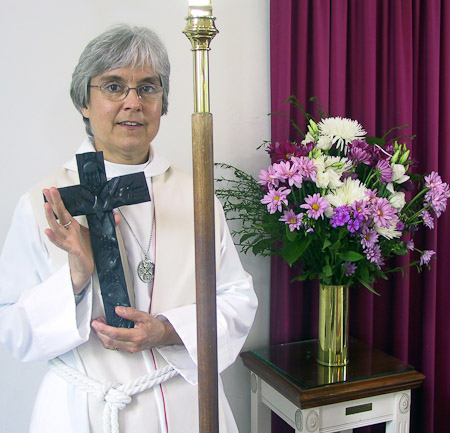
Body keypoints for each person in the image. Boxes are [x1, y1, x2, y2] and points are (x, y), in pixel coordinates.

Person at [0, 24, 257, 433]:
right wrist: (77, 277)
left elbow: (237, 299)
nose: (133, 103)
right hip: (85, 409)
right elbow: (12, 329)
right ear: (85, 102)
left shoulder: (198, 197)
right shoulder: (43, 202)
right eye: (114, 87)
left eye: (148, 88)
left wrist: (170, 330)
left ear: (162, 103)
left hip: (188, 403)